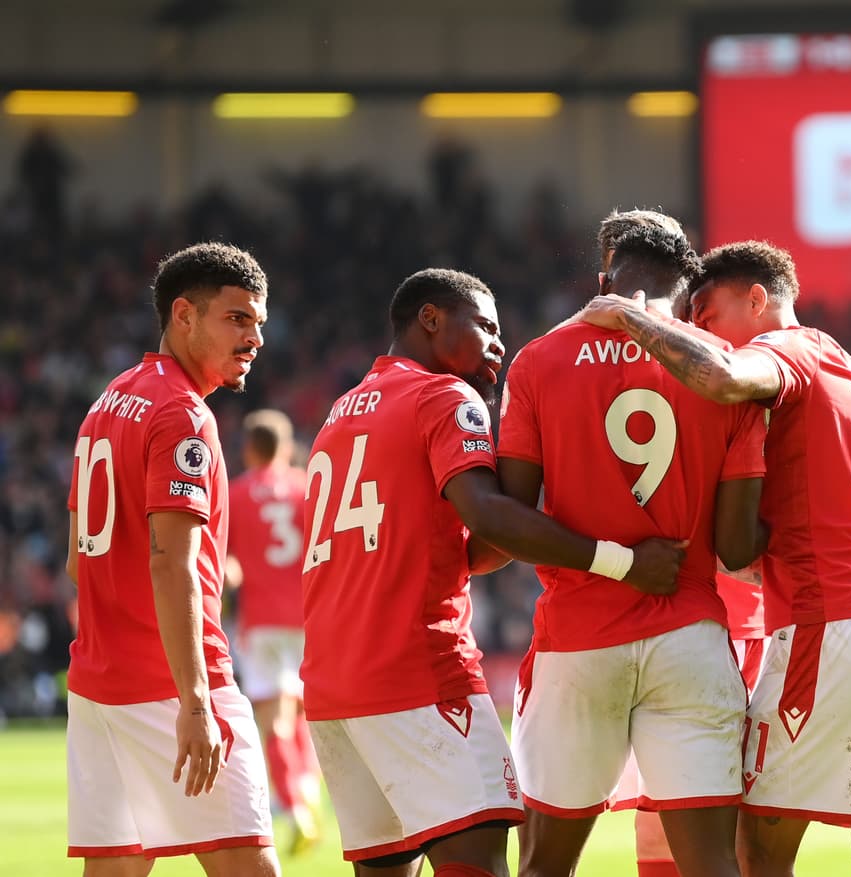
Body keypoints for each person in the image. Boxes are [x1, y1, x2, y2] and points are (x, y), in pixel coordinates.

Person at [581, 240, 851, 877]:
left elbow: (722, 380)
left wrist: (638, 319)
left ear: (758, 299)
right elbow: (829, 476)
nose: (698, 328)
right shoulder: (846, 363)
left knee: (756, 847)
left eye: (705, 311)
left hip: (829, 620)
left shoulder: (781, 351)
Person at [299, 268, 686, 877]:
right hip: (416, 673)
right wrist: (623, 562)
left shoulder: (341, 413)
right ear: (430, 319)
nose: (499, 345)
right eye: (484, 325)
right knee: (477, 863)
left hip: (332, 689)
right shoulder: (443, 397)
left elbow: (469, 549)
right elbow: (492, 518)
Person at [498, 225, 768, 877]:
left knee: (544, 867)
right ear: (689, 290)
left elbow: (507, 514)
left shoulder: (538, 360)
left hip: (579, 638)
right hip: (690, 638)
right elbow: (735, 547)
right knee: (712, 864)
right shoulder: (727, 370)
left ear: (603, 283)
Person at [64, 242, 280, 876]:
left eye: (259, 323)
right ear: (183, 315)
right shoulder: (182, 415)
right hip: (173, 682)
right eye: (237, 319)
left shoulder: (107, 402)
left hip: (98, 685)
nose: (255, 338)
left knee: (116, 869)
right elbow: (172, 563)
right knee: (250, 867)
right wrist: (194, 702)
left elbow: (80, 564)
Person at [597, 209, 769, 877]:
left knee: (734, 831)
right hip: (634, 622)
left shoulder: (716, 365)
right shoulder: (710, 363)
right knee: (660, 821)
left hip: (723, 621)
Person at [226, 408, 323, 854]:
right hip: (309, 616)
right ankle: (307, 784)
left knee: (273, 720)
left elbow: (226, 567)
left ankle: (294, 806)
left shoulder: (236, 493)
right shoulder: (308, 488)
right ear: (286, 448)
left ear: (249, 448)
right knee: (300, 708)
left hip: (262, 621)